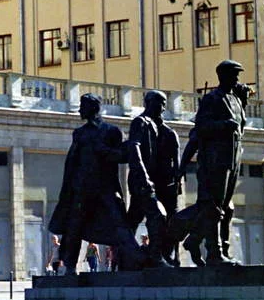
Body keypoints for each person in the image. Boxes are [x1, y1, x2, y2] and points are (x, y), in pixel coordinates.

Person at [48, 93, 144, 276]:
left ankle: (135, 258)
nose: (79, 110)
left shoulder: (112, 131)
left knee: (120, 223)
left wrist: (104, 151)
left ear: (93, 108)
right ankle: (70, 267)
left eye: (82, 106)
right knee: (74, 226)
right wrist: (69, 189)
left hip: (105, 187)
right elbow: (72, 163)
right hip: (82, 188)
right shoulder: (79, 133)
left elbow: (123, 156)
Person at [171, 59, 247, 266]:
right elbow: (201, 128)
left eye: (237, 75)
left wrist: (244, 102)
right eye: (234, 75)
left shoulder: (236, 99)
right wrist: (223, 125)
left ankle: (196, 240)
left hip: (233, 158)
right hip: (215, 160)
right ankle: (214, 252)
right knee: (213, 207)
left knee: (227, 208)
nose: (237, 79)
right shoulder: (212, 99)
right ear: (223, 76)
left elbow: (240, 127)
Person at [126, 90, 179, 267]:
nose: (163, 108)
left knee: (133, 218)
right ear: (149, 103)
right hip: (142, 181)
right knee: (157, 215)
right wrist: (143, 176)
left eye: (164, 104)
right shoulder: (140, 122)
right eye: (160, 103)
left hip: (152, 181)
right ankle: (155, 257)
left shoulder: (158, 127)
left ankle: (125, 256)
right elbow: (134, 148)